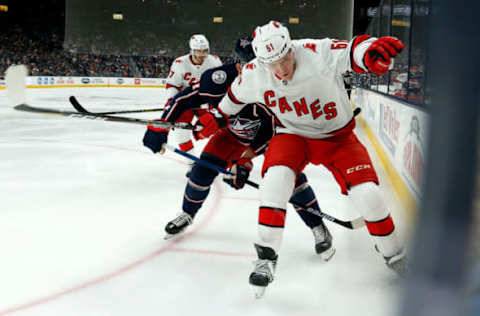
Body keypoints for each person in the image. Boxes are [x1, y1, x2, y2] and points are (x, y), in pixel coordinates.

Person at [210, 21, 407, 294]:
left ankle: (393, 253)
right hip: (291, 135)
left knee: (369, 196)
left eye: (284, 58)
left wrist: (370, 52)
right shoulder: (254, 72)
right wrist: (217, 117)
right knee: (274, 185)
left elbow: (352, 52)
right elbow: (232, 100)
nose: (281, 69)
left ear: (291, 47)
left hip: (338, 137)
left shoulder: (316, 52)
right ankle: (266, 258)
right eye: (271, 64)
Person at [143, 37, 335, 261]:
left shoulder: (284, 82)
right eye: (247, 65)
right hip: (231, 135)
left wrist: (245, 159)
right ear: (238, 64)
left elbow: (279, 128)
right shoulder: (220, 79)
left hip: (274, 137)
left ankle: (317, 225)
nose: (254, 71)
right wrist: (160, 126)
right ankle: (187, 213)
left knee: (290, 179)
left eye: (261, 64)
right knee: (201, 173)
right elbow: (183, 99)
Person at [164, 34, 222, 163]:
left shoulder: (214, 61)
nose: (202, 54)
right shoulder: (180, 63)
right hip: (185, 101)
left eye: (204, 51)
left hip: (205, 100)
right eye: (198, 51)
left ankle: (222, 159)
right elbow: (172, 84)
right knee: (181, 131)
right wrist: (172, 101)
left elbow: (221, 85)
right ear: (191, 50)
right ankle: (191, 163)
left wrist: (216, 103)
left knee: (218, 127)